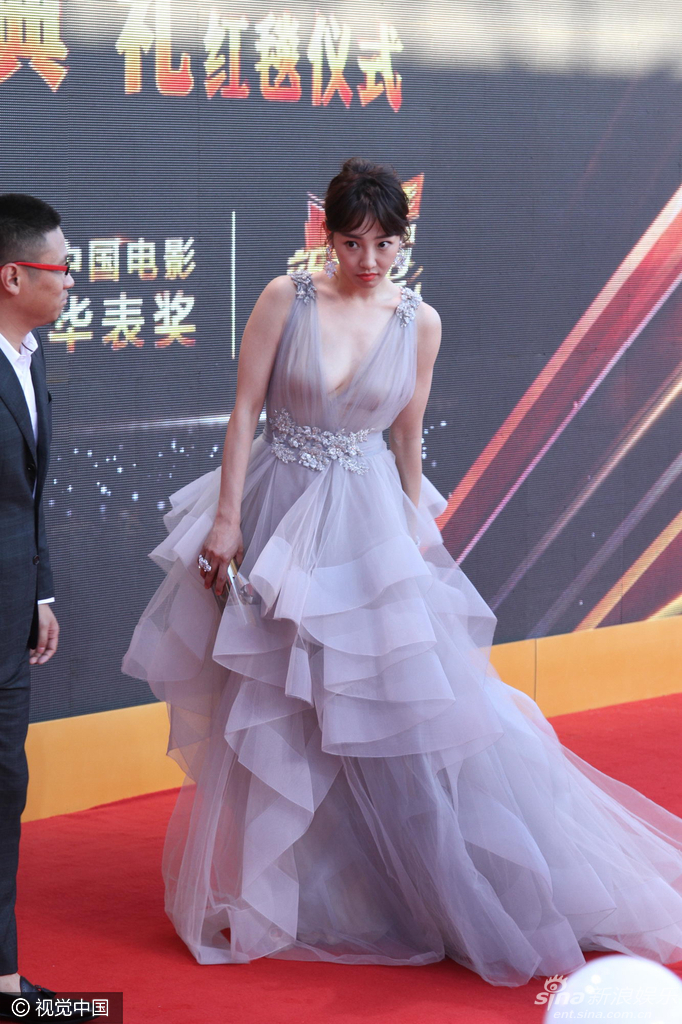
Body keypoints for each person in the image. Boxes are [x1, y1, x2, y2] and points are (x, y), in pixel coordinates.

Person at [123, 159, 682, 987]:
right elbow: (244, 411)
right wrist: (227, 520)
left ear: (403, 241)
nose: (370, 260)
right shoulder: (285, 298)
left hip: (367, 522)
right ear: (329, 236)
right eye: (354, 243)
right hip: (278, 514)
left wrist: (415, 538)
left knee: (398, 714)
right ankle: (293, 896)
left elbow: (407, 436)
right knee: (277, 709)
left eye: (386, 244)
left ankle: (433, 890)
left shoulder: (420, 320)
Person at [0, 195, 92, 1020]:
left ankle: (3, 987)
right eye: (61, 268)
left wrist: (40, 591)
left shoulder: (29, 361)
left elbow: (24, 500)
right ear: (13, 276)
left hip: (11, 626)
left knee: (4, 797)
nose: (70, 281)